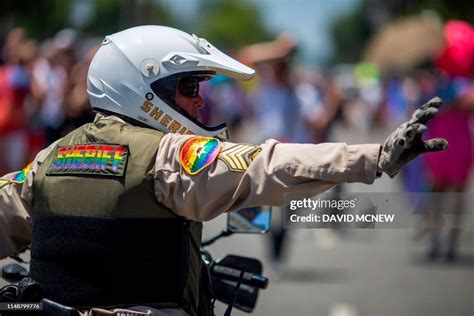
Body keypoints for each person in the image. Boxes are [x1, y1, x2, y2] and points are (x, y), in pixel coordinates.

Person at [0, 25, 447, 316]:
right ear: (142, 88)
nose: (199, 100)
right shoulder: (167, 157)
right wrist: (376, 156)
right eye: (189, 85)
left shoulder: (48, 160)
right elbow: (268, 165)